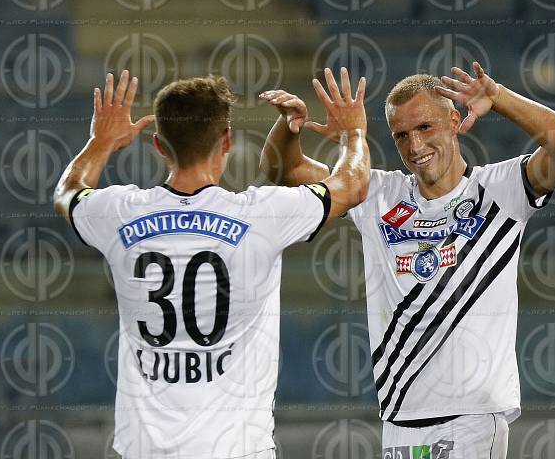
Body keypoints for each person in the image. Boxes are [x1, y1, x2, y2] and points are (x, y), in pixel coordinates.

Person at [259, 62, 555, 458]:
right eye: (401, 135)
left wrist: (498, 97)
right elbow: (282, 169)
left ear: (454, 120)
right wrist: (289, 128)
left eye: (424, 128)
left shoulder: (501, 190)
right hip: (399, 418)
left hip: (471, 419)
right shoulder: (376, 194)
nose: (414, 146)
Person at [53, 68, 370, 459]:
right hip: (236, 448)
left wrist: (100, 141)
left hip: (144, 448)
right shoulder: (261, 216)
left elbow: (68, 193)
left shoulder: (118, 213)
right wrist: (353, 133)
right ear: (227, 141)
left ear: (158, 145)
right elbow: (353, 185)